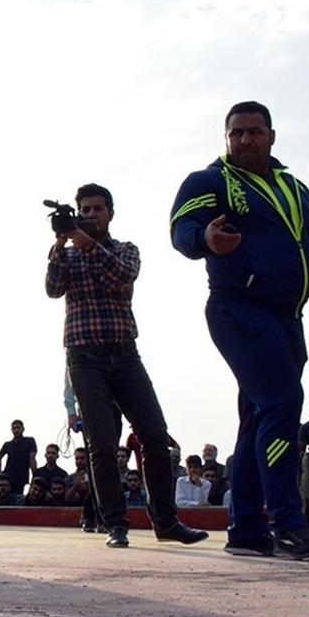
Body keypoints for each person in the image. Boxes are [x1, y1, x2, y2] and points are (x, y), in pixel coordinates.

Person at [170, 100, 309, 560]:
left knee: (258, 418)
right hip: (238, 309)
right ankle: (287, 522)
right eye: (236, 133)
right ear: (226, 138)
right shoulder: (210, 181)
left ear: (271, 135)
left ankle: (245, 529)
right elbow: (182, 227)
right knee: (283, 402)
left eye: (254, 131)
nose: (245, 139)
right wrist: (204, 238)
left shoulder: (294, 187)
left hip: (288, 317)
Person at [46, 182, 208, 549]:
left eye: (97, 209)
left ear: (110, 214)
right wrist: (59, 243)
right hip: (84, 358)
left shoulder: (125, 250)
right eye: (84, 209)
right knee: (102, 444)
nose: (90, 215)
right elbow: (52, 289)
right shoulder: (66, 256)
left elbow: (120, 276)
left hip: (124, 353)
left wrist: (89, 244)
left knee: (154, 434)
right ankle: (115, 524)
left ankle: (166, 521)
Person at [0, 420, 38, 495]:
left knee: (18, 497)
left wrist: (35, 475)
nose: (16, 430)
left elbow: (32, 459)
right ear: (11, 430)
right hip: (8, 475)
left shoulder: (29, 441)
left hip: (21, 476)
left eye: (18, 428)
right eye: (14, 428)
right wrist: (0, 473)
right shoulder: (8, 444)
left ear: (23, 429)